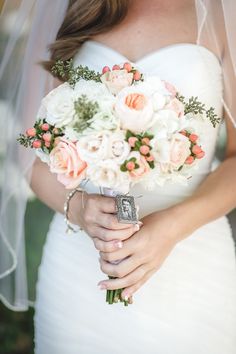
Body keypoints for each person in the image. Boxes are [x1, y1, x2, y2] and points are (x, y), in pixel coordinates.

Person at [1, 0, 236, 353]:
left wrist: (170, 228)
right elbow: (28, 151)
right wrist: (78, 209)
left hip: (192, 266)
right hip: (80, 269)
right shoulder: (70, 8)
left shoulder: (223, 12)